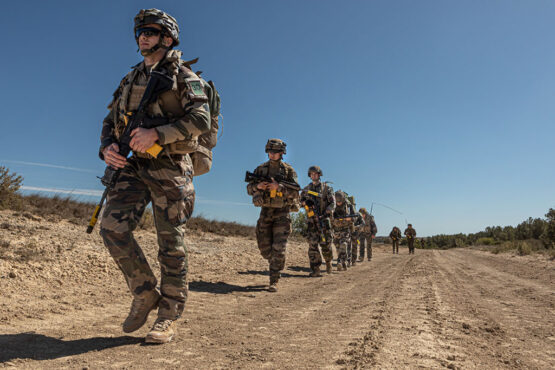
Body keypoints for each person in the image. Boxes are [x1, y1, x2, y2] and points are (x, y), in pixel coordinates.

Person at [98, 8, 211, 344]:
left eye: (149, 31)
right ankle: (145, 292)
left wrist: (158, 135)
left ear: (167, 37)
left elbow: (201, 119)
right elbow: (110, 122)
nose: (142, 36)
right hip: (133, 166)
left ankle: (168, 315)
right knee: (111, 228)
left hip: (170, 167)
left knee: (170, 243)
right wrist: (107, 148)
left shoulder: (183, 76)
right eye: (139, 32)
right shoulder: (130, 79)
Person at [246, 139, 300, 292]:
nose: (272, 154)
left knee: (279, 247)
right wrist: (257, 186)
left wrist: (280, 187)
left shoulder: (289, 171)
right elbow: (248, 189)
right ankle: (276, 262)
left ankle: (274, 279)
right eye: (270, 151)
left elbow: (296, 193)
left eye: (275, 152)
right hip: (266, 212)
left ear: (282, 153)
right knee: (264, 248)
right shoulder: (261, 169)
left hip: (282, 212)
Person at [300, 166, 335, 276]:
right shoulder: (306, 189)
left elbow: (332, 203)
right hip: (311, 222)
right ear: (309, 175)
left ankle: (328, 262)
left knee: (326, 245)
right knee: (312, 246)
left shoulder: (326, 189)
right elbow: (299, 202)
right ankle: (315, 269)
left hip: (324, 220)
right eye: (311, 174)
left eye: (315, 173)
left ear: (319, 174)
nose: (313, 175)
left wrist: (328, 212)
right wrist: (305, 204)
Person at [332, 191, 357, 271]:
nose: (338, 203)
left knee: (344, 244)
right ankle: (344, 262)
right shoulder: (332, 204)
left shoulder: (349, 206)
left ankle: (341, 261)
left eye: (340, 201)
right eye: (337, 201)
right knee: (337, 246)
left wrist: (350, 218)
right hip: (336, 229)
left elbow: (355, 217)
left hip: (345, 228)